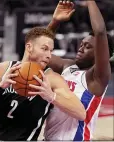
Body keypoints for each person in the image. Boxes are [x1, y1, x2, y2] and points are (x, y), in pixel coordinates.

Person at [0, 27, 86, 141]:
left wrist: (52, 97)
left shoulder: (52, 79)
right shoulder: (2, 69)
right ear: (29, 47)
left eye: (51, 51)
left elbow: (81, 113)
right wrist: (0, 87)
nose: (49, 55)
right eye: (45, 49)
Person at [44, 0, 113, 141]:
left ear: (100, 54)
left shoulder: (97, 77)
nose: (81, 48)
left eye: (87, 46)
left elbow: (100, 32)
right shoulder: (68, 66)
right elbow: (40, 52)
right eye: (81, 44)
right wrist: (55, 21)